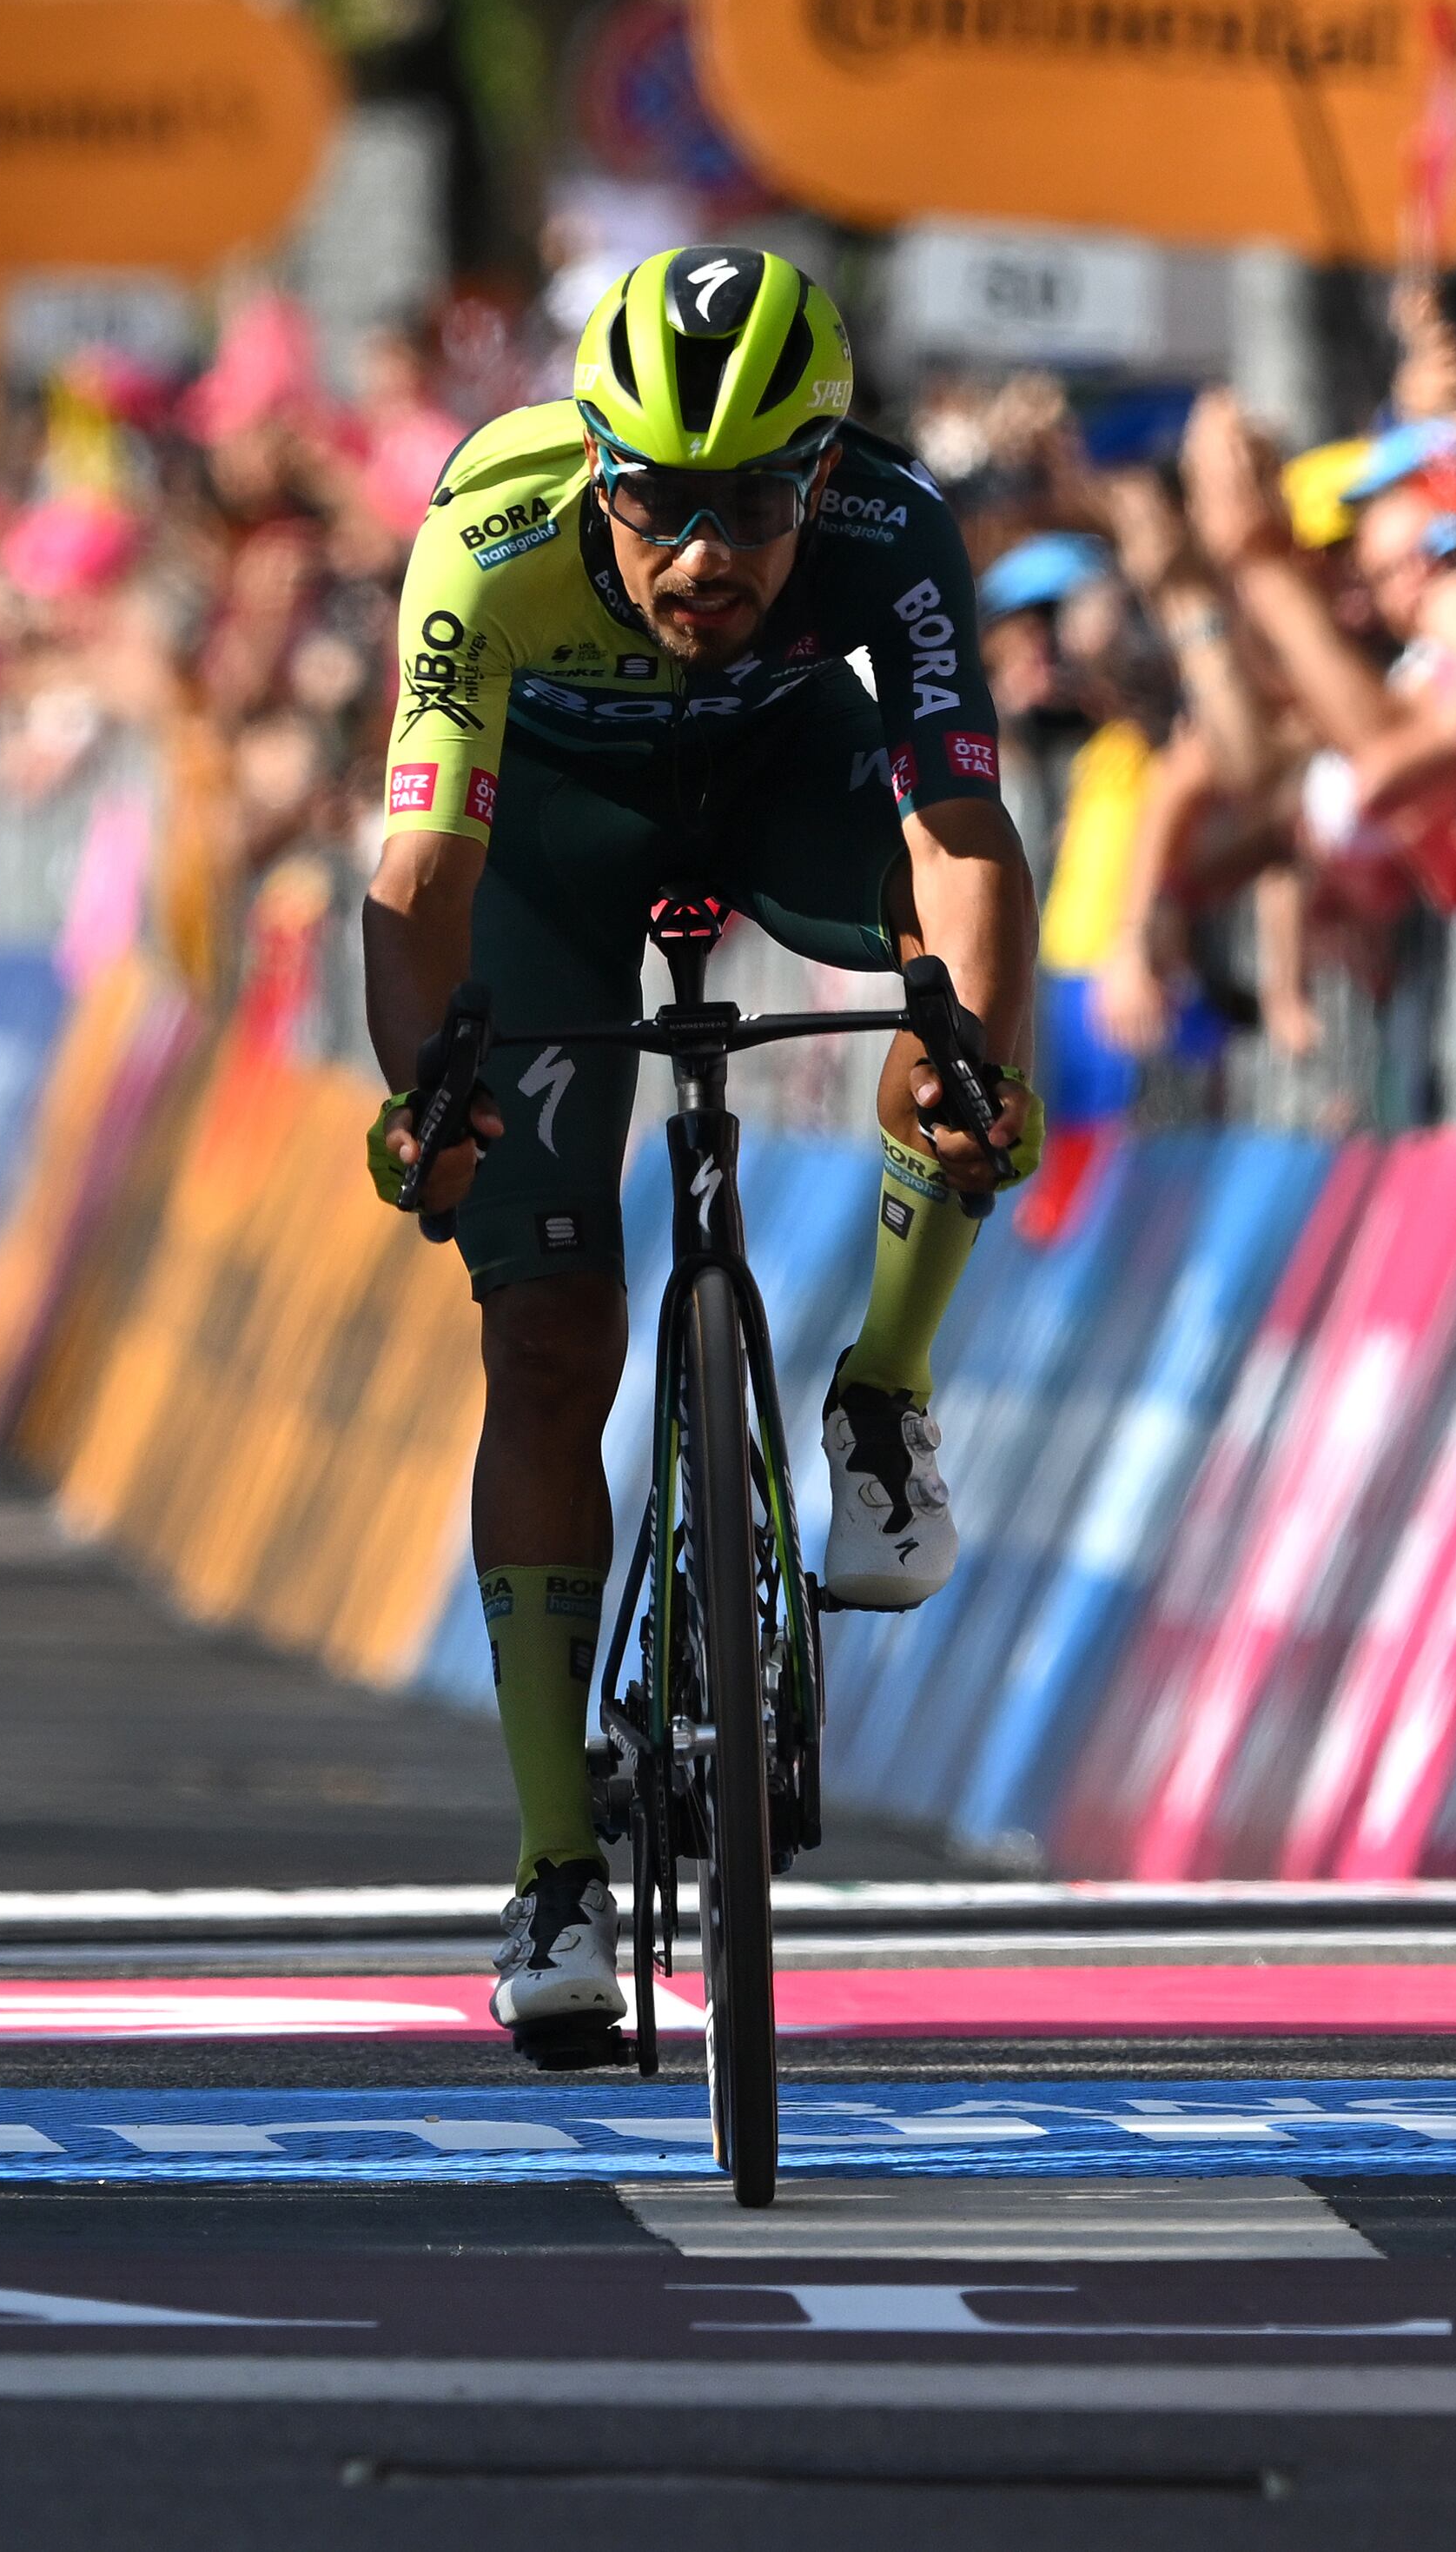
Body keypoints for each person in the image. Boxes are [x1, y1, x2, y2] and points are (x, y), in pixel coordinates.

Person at [358, 247, 1036, 2059]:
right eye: (658, 504)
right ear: (597, 468)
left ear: (820, 475)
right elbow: (416, 878)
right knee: (550, 1341)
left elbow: (964, 830)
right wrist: (421, 1092)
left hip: (785, 781)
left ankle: (881, 1395)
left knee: (949, 1006)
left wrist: (964, 1048)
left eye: (751, 505)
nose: (704, 556)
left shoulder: (895, 528)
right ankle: (556, 1868)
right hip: (548, 843)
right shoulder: (487, 539)